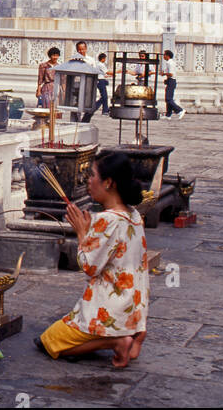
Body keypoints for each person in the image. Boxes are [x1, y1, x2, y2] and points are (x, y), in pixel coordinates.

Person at [38, 150, 149, 368]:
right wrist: (90, 233)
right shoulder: (133, 214)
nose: (88, 181)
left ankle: (116, 342)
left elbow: (89, 266)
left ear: (108, 183)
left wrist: (81, 232)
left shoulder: (107, 220)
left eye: (92, 176)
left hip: (108, 310)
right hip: (133, 307)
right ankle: (135, 335)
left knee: (49, 341)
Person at [72, 40, 102, 122]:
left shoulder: (91, 60)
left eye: (82, 49)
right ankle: (76, 120)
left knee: (89, 104)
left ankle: (86, 120)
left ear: (86, 49)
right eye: (79, 49)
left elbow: (95, 71)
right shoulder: (74, 59)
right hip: (77, 84)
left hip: (88, 85)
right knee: (75, 104)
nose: (81, 51)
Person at [162, 49, 185, 119]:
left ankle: (180, 110)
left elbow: (171, 74)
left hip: (171, 81)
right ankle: (168, 115)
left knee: (168, 98)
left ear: (167, 56)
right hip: (170, 80)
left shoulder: (170, 63)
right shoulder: (169, 62)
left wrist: (164, 74)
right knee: (168, 98)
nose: (163, 56)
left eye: (164, 55)